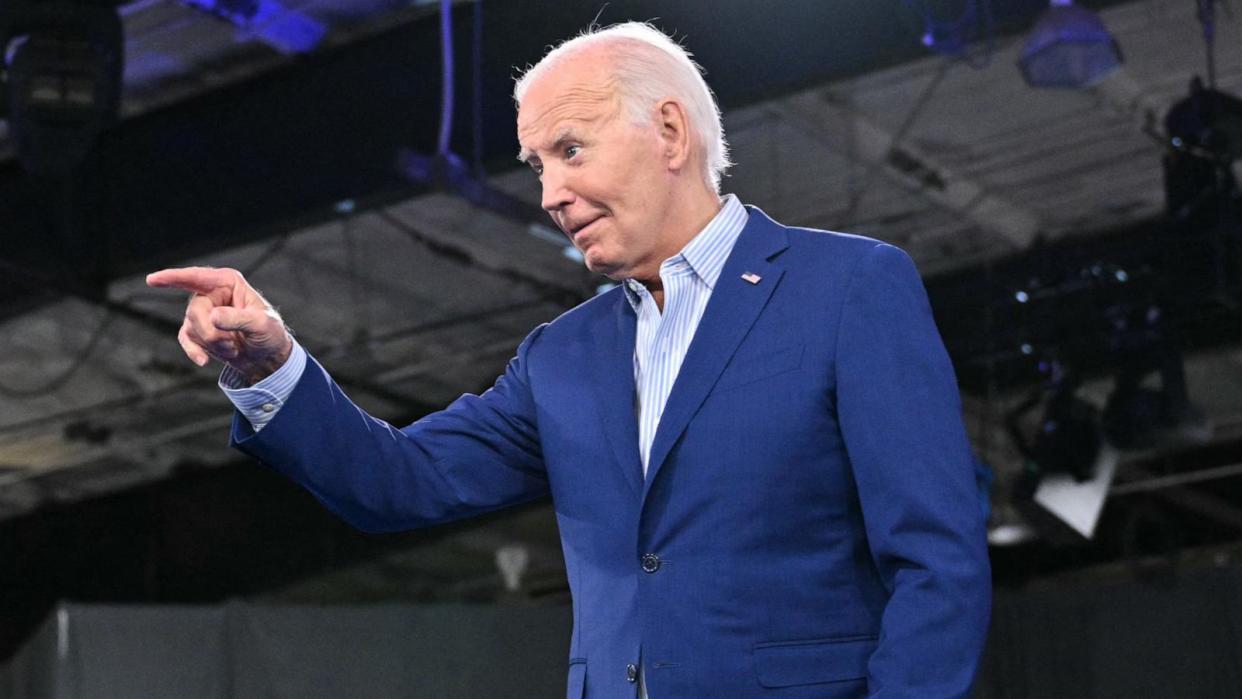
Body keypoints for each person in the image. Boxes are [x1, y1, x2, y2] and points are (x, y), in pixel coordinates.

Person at [148, 22, 990, 699]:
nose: (548, 193)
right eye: (537, 165)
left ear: (668, 130)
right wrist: (272, 365)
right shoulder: (561, 356)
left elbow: (937, 560)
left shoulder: (849, 287)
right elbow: (400, 482)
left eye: (570, 150)